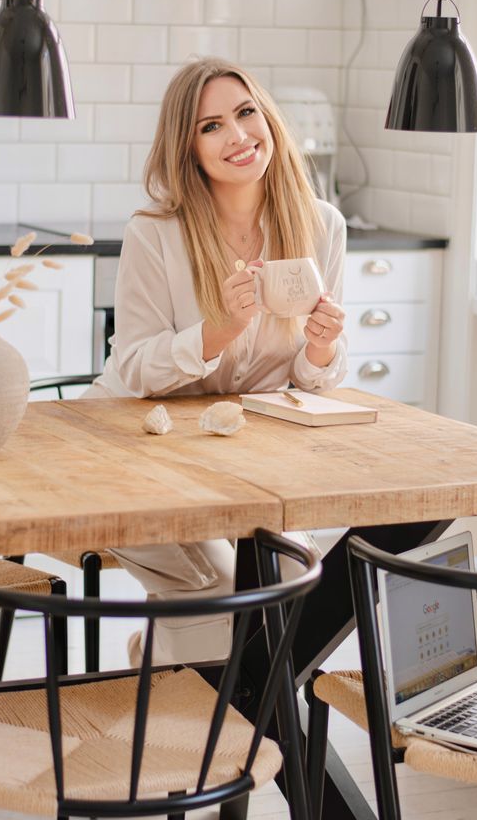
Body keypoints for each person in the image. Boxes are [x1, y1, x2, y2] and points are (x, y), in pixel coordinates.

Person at [83, 57, 346, 664]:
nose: (238, 136)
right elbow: (136, 371)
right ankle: (199, 738)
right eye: (211, 126)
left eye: (246, 113)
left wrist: (322, 345)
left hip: (242, 465)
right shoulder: (156, 233)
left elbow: (308, 382)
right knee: (222, 591)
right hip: (133, 456)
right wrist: (217, 331)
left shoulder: (319, 227)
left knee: (294, 581)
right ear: (188, 148)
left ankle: (193, 685)